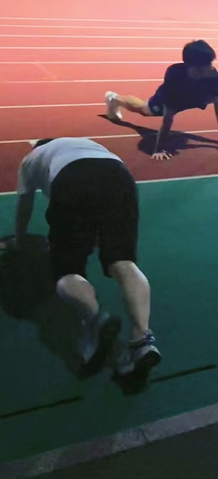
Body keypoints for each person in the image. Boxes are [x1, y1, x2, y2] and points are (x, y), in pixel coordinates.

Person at [7, 138, 160, 379]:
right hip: (119, 176)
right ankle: (143, 337)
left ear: (38, 147)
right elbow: (98, 186)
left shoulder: (32, 158)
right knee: (123, 262)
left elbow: (24, 205)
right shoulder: (87, 143)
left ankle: (97, 318)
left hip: (71, 180)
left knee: (67, 270)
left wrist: (19, 238)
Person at [104, 40, 218, 160]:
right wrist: (159, 148)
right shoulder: (174, 77)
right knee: (145, 109)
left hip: (197, 94)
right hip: (177, 98)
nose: (209, 68)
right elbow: (168, 119)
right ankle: (114, 98)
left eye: (210, 64)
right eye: (204, 66)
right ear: (192, 67)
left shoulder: (211, 74)